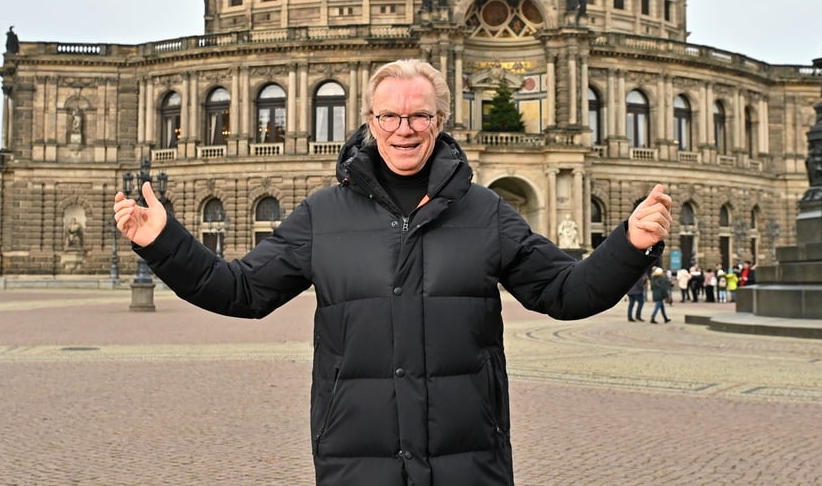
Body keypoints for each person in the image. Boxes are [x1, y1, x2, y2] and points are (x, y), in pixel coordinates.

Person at [113, 59, 672, 486]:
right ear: (370, 121)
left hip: (467, 461)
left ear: (440, 121)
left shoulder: (486, 213)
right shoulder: (322, 215)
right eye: (390, 116)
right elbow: (239, 290)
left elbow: (564, 291)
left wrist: (628, 245)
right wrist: (162, 243)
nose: (404, 129)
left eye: (419, 115)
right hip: (357, 460)